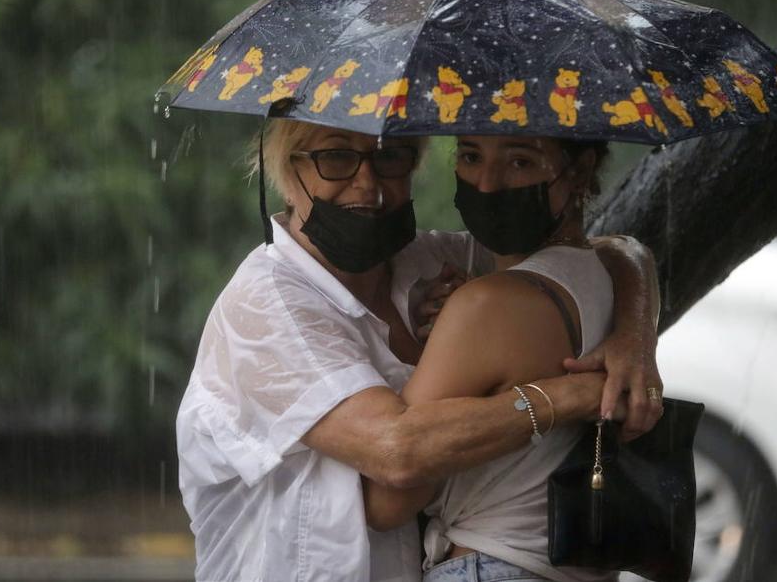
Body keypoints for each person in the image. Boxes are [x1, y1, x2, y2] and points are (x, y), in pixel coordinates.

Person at [176, 120, 662, 582]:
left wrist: (634, 340)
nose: (367, 184)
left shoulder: (432, 262)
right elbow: (397, 452)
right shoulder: (267, 305)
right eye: (337, 157)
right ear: (286, 170)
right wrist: (573, 396)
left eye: (390, 157)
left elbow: (604, 251)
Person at [362, 134, 649, 582]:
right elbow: (622, 248)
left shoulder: (488, 305)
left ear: (580, 169)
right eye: (471, 155)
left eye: (520, 160)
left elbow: (387, 500)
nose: (488, 183)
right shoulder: (598, 279)